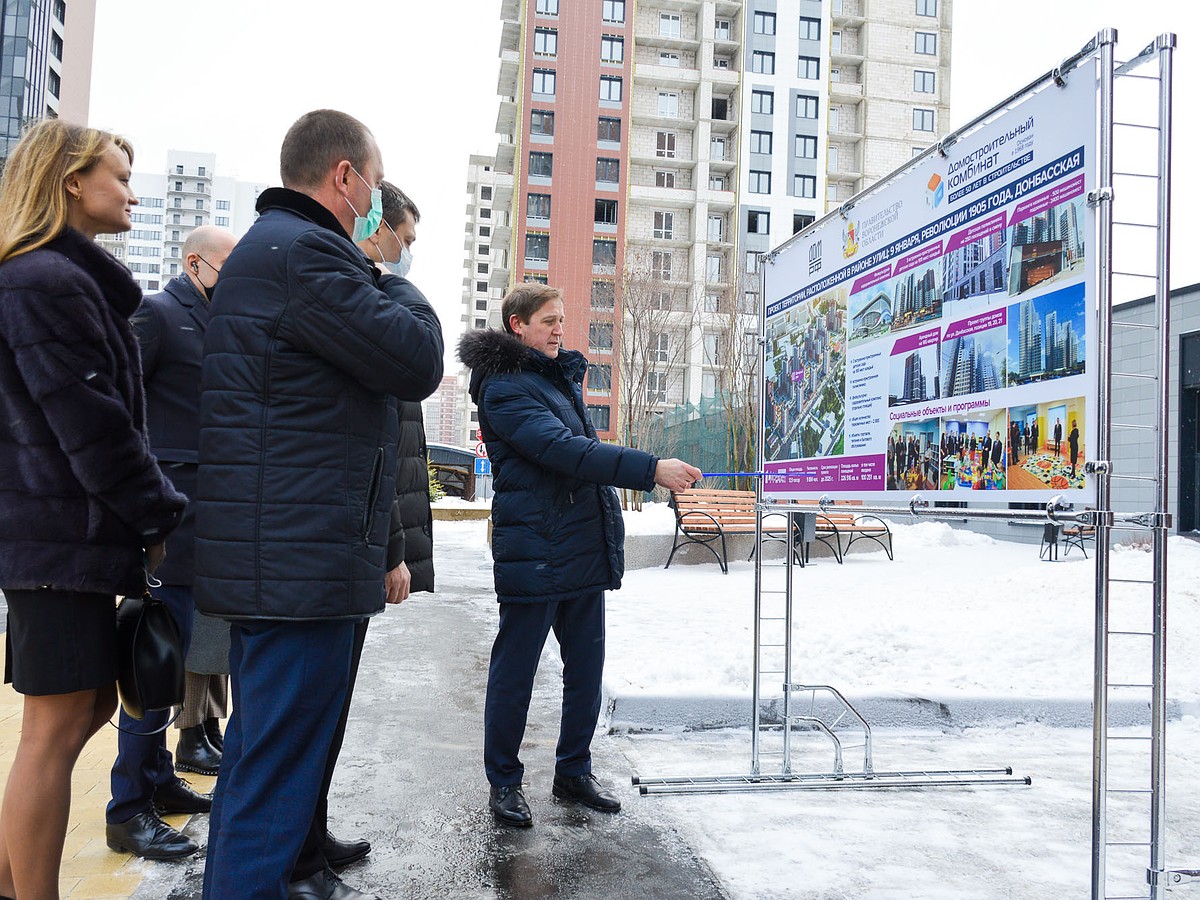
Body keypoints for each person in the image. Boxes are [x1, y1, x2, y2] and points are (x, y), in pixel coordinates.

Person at [193, 109, 443, 900]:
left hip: (288, 557)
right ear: (345, 176)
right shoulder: (307, 255)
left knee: (263, 766)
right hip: (297, 567)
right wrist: (394, 279)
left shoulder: (282, 251)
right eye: (373, 178)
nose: (378, 201)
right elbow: (417, 358)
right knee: (271, 783)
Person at [0, 119, 186, 897]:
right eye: (118, 176)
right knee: (52, 728)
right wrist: (157, 514)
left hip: (60, 540)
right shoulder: (44, 281)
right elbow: (95, 427)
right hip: (54, 542)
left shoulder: (54, 280)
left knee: (85, 706)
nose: (133, 193)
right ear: (72, 182)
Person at [458, 283, 702, 828]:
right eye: (548, 321)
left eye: (563, 320)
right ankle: (504, 782)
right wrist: (650, 468)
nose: (559, 330)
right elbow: (564, 452)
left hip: (580, 549)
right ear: (517, 325)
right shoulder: (505, 388)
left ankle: (574, 771)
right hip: (537, 550)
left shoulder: (556, 380)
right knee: (515, 672)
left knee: (586, 670)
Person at [288, 181, 438, 890]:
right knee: (304, 721)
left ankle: (309, 839)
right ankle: (296, 852)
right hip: (333, 546)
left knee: (328, 714)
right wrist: (391, 552)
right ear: (372, 226)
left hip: (360, 543)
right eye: (401, 240)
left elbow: (396, 456)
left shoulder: (364, 311)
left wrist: (395, 547)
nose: (406, 254)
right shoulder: (350, 307)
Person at [105, 226, 237, 860]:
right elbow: (119, 407)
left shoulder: (220, 322)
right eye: (229, 265)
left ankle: (157, 779)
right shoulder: (156, 313)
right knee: (152, 662)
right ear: (194, 264)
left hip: (204, 519)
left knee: (175, 660)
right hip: (166, 522)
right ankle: (127, 807)